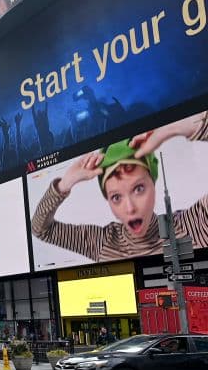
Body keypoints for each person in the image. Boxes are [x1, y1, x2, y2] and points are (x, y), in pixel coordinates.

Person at [32, 112, 208, 262]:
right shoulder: (103, 242)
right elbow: (40, 229)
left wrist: (175, 128)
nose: (130, 208)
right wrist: (64, 184)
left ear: (153, 185)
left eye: (138, 189)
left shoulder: (193, 225)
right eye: (116, 197)